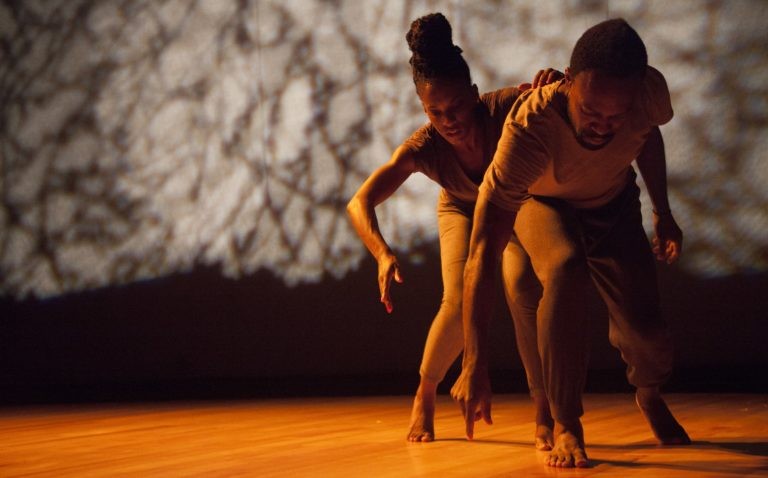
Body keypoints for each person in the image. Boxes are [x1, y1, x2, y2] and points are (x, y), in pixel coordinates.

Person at [450, 18, 691, 468]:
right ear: (567, 83)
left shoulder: (650, 94)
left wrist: (664, 212)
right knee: (564, 267)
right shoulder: (530, 128)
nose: (602, 127)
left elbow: (646, 137)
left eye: (614, 118)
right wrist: (474, 361)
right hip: (543, 203)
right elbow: (480, 251)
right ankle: (566, 424)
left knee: (648, 334)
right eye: (591, 112)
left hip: (611, 203)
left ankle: (649, 393)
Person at [346, 12, 561, 446]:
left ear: (475, 95)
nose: (449, 120)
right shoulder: (425, 146)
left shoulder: (506, 109)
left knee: (522, 289)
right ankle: (425, 394)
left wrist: (559, 81)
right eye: (435, 111)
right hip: (462, 210)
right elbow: (360, 201)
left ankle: (545, 410)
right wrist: (383, 254)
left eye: (457, 107)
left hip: (514, 206)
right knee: (460, 299)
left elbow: (566, 97)